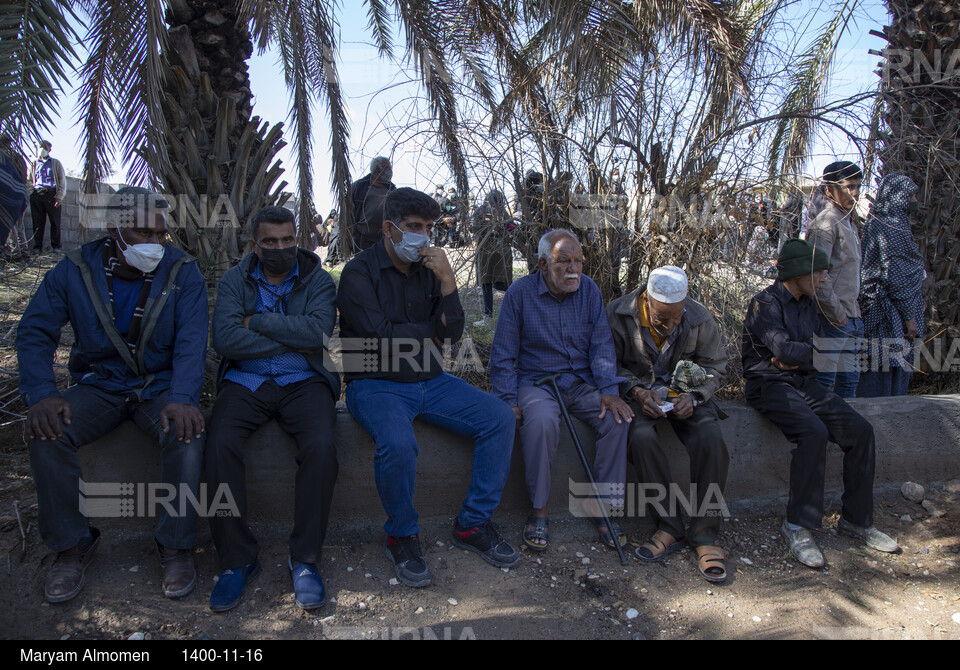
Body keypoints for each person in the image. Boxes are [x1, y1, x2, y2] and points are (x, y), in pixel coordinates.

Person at [17, 186, 208, 602]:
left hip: (160, 387)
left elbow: (192, 342)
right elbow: (35, 331)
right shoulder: (75, 269)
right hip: (100, 385)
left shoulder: (182, 270)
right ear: (114, 228)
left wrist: (183, 396)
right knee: (48, 431)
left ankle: (174, 546)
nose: (155, 244)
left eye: (161, 235)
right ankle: (72, 546)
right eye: (143, 233)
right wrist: (42, 393)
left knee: (187, 433)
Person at [337, 187, 518, 588]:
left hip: (431, 380)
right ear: (389, 228)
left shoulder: (430, 270)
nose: (423, 236)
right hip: (374, 383)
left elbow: (451, 332)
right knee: (399, 444)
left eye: (429, 228)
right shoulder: (358, 273)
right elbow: (378, 338)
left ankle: (472, 525)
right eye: (413, 227)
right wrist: (427, 336)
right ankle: (401, 534)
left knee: (500, 418)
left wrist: (450, 282)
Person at [205, 206, 339, 612]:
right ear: (254, 244)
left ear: (298, 238)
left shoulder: (317, 280)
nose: (280, 248)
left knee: (321, 447)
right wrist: (292, 333)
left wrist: (255, 322)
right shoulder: (234, 280)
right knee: (217, 447)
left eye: (288, 240)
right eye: (270, 242)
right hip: (245, 381)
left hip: (304, 379)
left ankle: (304, 559)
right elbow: (225, 341)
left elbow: (318, 332)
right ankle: (237, 559)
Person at [741, 238, 898, 569]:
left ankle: (856, 521)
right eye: (820, 273)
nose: (825, 280)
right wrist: (796, 357)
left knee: (860, 430)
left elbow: (802, 352)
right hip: (767, 384)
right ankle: (797, 525)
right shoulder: (765, 304)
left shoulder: (807, 304)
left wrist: (799, 358)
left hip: (802, 381)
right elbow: (783, 351)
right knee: (812, 432)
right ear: (799, 272)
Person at [489, 230, 633, 552]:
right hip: (536, 382)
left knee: (616, 419)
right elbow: (503, 356)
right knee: (540, 422)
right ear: (542, 264)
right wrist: (509, 401)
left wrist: (609, 391)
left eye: (579, 261)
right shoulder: (519, 294)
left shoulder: (590, 291)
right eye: (563, 261)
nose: (574, 269)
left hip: (580, 382)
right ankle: (540, 507)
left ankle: (602, 506)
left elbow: (601, 347)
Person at [606, 266, 730, 582]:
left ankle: (704, 535)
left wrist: (696, 396)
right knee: (640, 438)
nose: (671, 325)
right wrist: (636, 390)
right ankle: (670, 526)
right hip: (639, 393)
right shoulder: (618, 314)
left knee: (711, 440)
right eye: (663, 319)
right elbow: (608, 363)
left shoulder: (698, 317)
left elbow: (714, 366)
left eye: (677, 318)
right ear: (646, 299)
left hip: (685, 396)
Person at [857, 175, 924, 397]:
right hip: (888, 316)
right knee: (884, 373)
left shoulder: (886, 220)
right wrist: (909, 316)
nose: (914, 200)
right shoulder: (889, 225)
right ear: (898, 197)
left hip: (892, 313)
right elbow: (894, 275)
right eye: (910, 195)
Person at [804, 161, 864, 397]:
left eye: (858, 186)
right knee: (824, 382)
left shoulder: (848, 219)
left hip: (850, 315)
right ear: (829, 190)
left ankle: (843, 433)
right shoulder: (826, 223)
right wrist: (836, 313)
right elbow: (816, 273)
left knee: (848, 384)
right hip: (832, 318)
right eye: (849, 187)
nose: (855, 193)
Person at [471, 189, 514, 323]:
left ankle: (488, 317)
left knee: (486, 283)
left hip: (485, 251)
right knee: (503, 283)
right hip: (502, 251)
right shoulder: (503, 212)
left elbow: (474, 228)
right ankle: (514, 314)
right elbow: (512, 229)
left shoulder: (480, 211)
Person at [350, 156, 396, 252]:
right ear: (376, 170)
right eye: (386, 168)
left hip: (384, 238)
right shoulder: (359, 187)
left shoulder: (392, 189)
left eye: (390, 168)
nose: (389, 172)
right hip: (362, 238)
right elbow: (349, 211)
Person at [29, 140, 66, 253]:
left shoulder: (55, 163)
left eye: (45, 147)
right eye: (41, 147)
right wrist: (31, 192)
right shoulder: (34, 163)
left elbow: (62, 180)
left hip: (51, 194)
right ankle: (37, 247)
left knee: (55, 222)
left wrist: (59, 196)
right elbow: (29, 180)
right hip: (37, 194)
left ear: (49, 150)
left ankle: (56, 246)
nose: (42, 149)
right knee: (37, 222)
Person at [0, 132, 28, 255]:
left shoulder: (5, 156)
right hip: (21, 193)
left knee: (10, 224)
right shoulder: (19, 156)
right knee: (20, 226)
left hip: (10, 194)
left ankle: (14, 252)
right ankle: (25, 251)